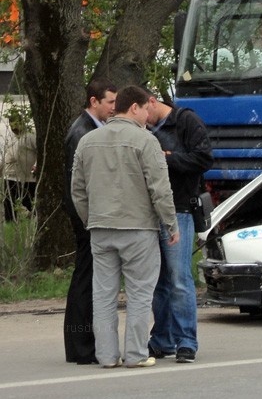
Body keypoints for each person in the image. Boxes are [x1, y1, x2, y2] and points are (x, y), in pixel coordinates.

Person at [71, 85, 179, 369]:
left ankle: (106, 356)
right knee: (140, 293)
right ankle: (136, 354)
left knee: (103, 294)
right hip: (138, 228)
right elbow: (160, 188)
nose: (148, 115)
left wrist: (89, 220)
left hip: (100, 228)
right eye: (146, 109)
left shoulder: (88, 141)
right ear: (134, 108)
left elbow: (78, 190)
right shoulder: (145, 141)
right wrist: (170, 223)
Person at [145, 93, 212, 364]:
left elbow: (204, 159)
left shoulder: (186, 121)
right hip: (151, 213)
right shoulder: (145, 129)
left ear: (151, 101)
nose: (141, 120)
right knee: (158, 281)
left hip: (180, 209)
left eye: (141, 111)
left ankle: (187, 342)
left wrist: (167, 159)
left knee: (179, 279)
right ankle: (161, 339)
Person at [63, 78, 117, 364]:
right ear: (94, 102)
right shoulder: (82, 132)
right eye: (110, 102)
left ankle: (79, 346)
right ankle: (82, 347)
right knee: (86, 280)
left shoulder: (89, 129)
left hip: (86, 215)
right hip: (85, 217)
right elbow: (77, 185)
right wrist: (86, 219)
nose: (113, 107)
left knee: (86, 278)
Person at [2, 108, 37, 221]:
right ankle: (10, 225)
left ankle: (37, 220)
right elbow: (6, 156)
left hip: (28, 178)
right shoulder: (11, 138)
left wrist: (37, 165)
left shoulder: (30, 136)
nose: (14, 129)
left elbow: (41, 151)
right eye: (12, 126)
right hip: (10, 177)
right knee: (9, 205)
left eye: (17, 125)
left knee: (30, 203)